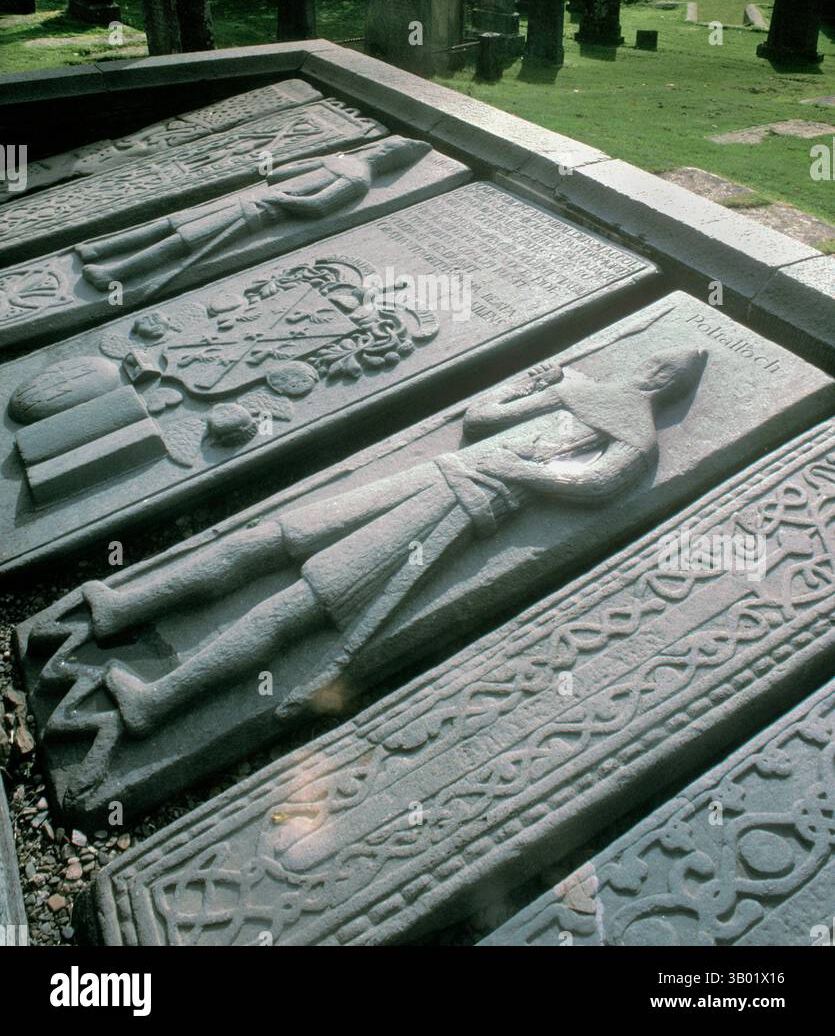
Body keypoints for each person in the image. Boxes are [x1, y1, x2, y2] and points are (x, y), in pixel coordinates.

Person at [82, 345, 707, 738]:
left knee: (305, 602)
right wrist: (529, 387)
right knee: (274, 537)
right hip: (438, 474)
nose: (653, 371)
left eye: (664, 370)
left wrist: (517, 470)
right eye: (656, 361)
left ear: (666, 383)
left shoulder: (638, 439)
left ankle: (157, 703)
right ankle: (123, 607)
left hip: (459, 505)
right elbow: (482, 421)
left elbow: (594, 485)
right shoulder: (579, 389)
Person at [76, 136, 431, 291]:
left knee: (182, 240)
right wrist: (302, 167)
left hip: (260, 212)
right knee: (171, 222)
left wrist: (281, 202)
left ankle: (115, 274)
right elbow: (278, 174)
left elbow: (318, 206)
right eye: (386, 145)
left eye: (389, 149)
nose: (383, 149)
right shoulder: (343, 162)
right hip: (253, 198)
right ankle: (99, 250)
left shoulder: (357, 179)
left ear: (389, 159)